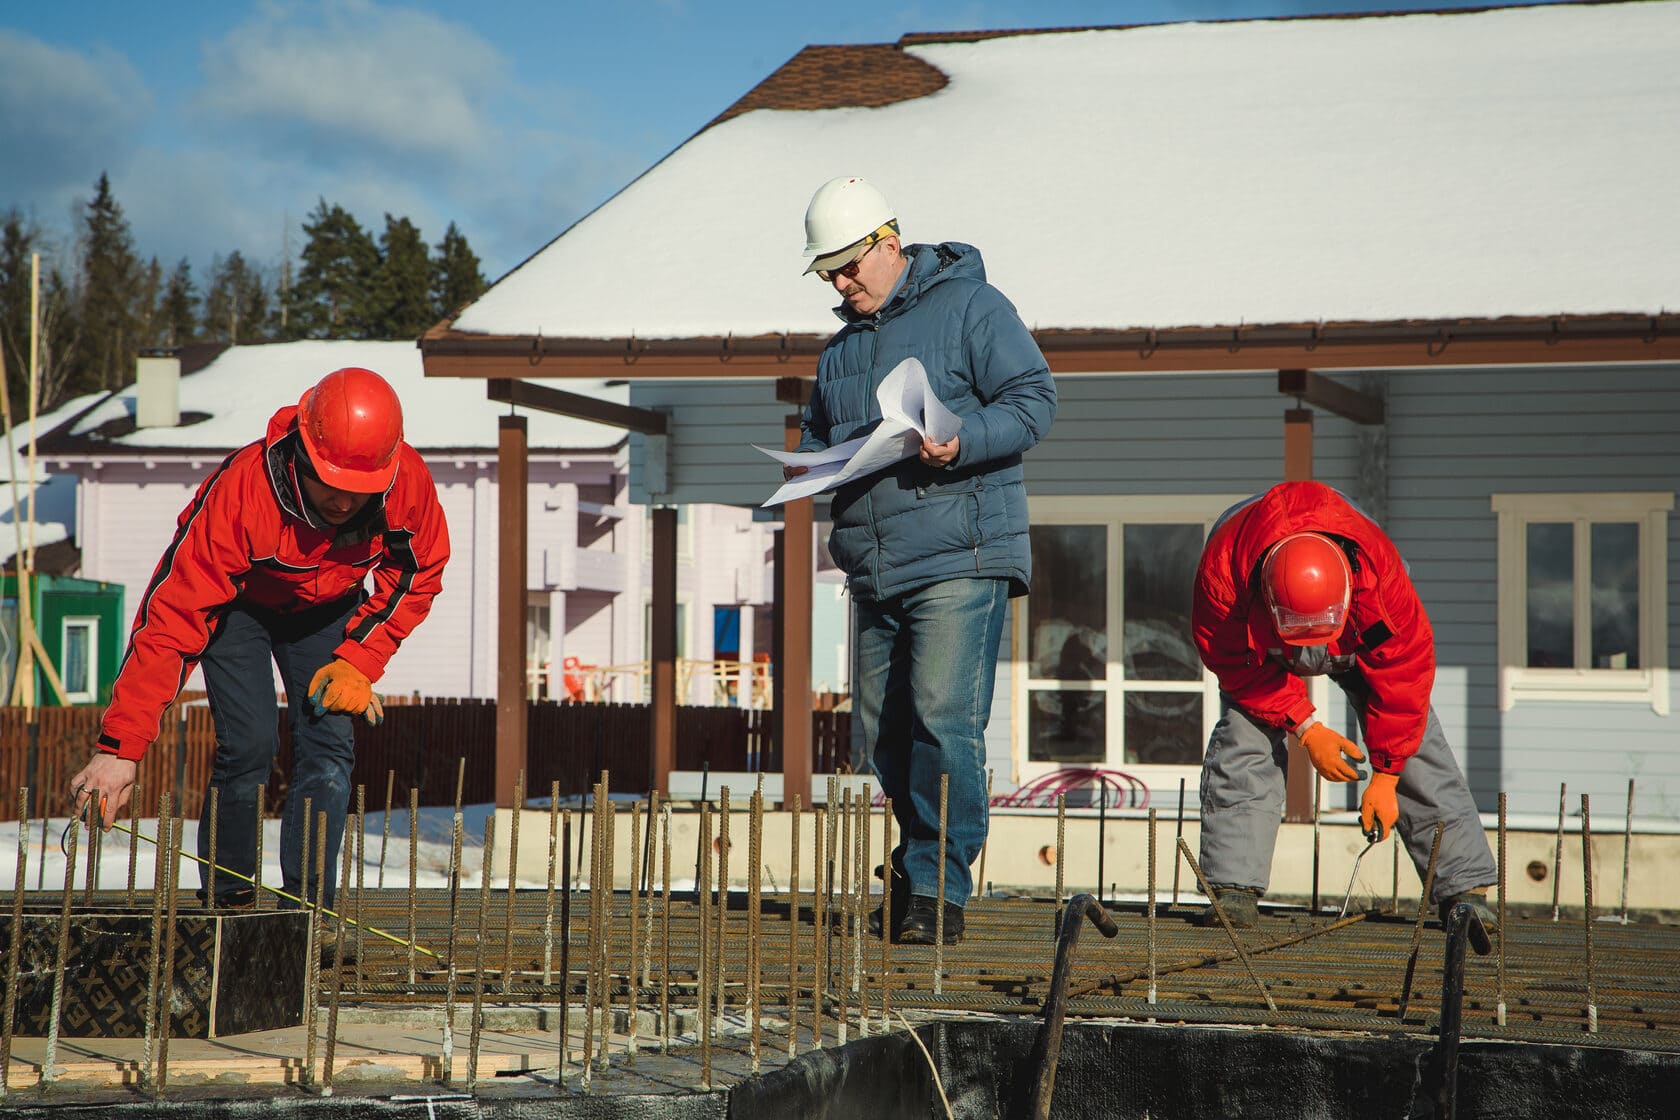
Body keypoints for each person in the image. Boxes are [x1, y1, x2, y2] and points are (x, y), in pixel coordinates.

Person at [69, 366, 449, 913]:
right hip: (239, 607)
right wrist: (120, 749)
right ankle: (229, 903)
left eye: (359, 492)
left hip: (328, 609)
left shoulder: (405, 481)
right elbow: (172, 619)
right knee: (249, 746)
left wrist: (360, 659)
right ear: (303, 455)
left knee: (328, 750)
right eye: (333, 486)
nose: (344, 503)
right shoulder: (244, 492)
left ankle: (308, 912)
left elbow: (418, 574)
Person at [789, 176, 1057, 944]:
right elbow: (818, 434)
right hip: (875, 562)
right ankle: (917, 870)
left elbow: (1034, 399)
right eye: (827, 273)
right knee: (881, 732)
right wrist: (807, 466)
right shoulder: (839, 351)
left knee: (943, 717)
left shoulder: (975, 307)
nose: (840, 284)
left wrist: (962, 439)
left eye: (848, 265)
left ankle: (941, 890)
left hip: (961, 551)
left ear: (887, 242)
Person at [1190, 480, 1497, 930]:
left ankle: (1463, 890)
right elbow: (1232, 662)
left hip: (1356, 636)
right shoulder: (1223, 579)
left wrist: (1387, 776)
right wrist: (1308, 730)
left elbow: (1403, 679)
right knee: (1245, 733)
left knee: (1416, 740)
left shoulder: (1381, 578)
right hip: (1260, 646)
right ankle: (1232, 889)